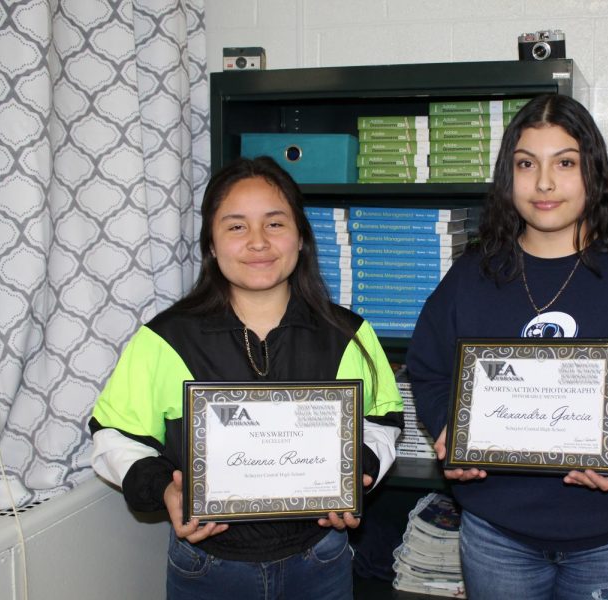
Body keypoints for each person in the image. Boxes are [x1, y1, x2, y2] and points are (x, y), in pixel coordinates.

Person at [406, 94, 608, 600]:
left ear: (592, 171)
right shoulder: (472, 275)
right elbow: (429, 372)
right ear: (508, 175)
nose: (545, 183)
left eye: (566, 162)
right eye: (526, 164)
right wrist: (451, 427)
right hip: (496, 537)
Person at [89, 156, 403, 599]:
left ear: (300, 238)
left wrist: (358, 472)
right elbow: (114, 437)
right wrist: (163, 489)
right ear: (212, 245)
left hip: (320, 560)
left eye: (275, 223)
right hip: (208, 568)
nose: (258, 242)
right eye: (236, 227)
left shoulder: (349, 335)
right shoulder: (165, 339)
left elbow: (382, 421)